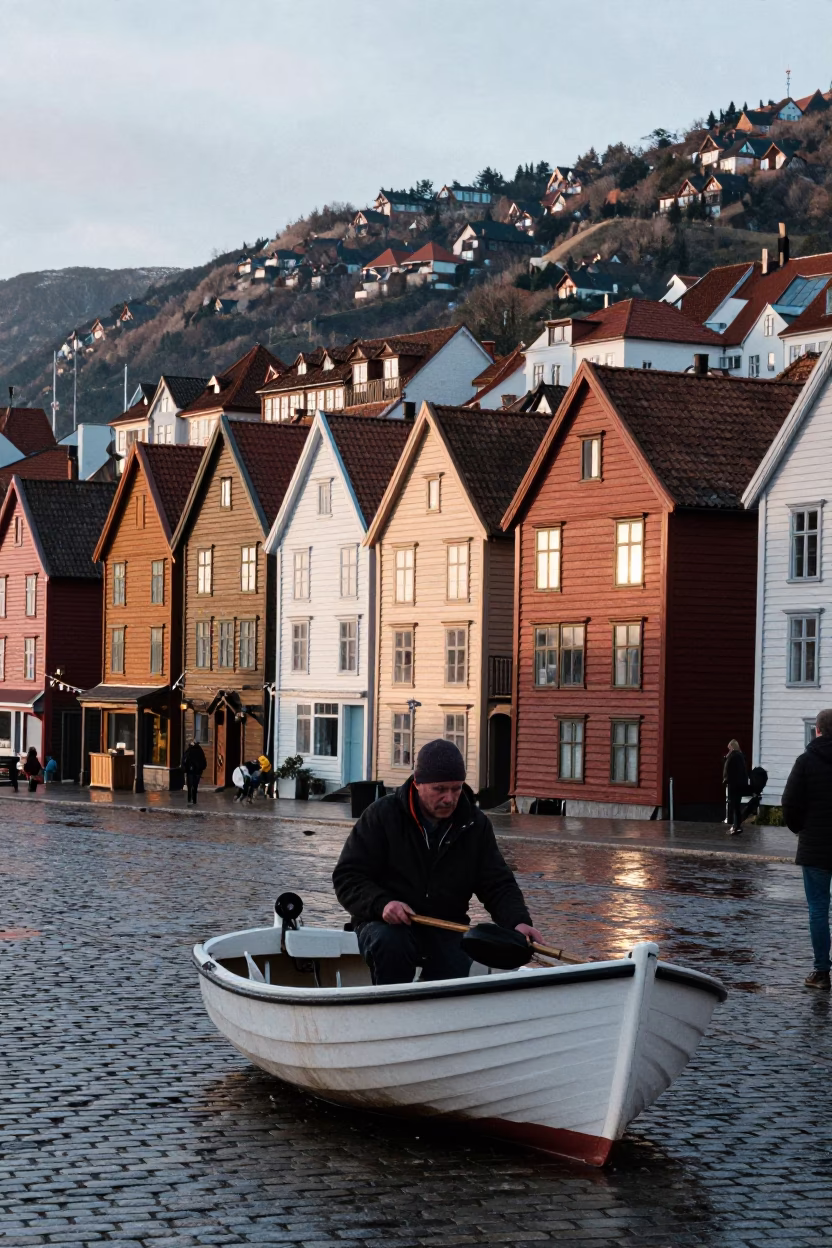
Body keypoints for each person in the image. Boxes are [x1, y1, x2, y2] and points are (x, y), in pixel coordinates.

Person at [333, 738, 542, 985]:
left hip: (447, 925)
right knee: (390, 944)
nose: (449, 798)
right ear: (418, 783)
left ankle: (439, 1017)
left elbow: (497, 883)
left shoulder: (475, 824)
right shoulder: (382, 816)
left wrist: (518, 922)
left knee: (455, 959)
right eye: (440, 789)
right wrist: (382, 904)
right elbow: (348, 877)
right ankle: (390, 1010)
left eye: (456, 788)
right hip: (382, 922)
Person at [782, 708, 832, 989]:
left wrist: (799, 828)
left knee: (818, 909)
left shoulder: (806, 761)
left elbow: (789, 802)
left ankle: (821, 972)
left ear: (817, 730)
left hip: (815, 847)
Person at [723, 739, 748, 835]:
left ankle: (736, 826)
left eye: (729, 748)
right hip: (739, 784)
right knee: (736, 806)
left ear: (732, 747)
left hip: (734, 785)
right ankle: (736, 825)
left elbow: (729, 769)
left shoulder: (734, 756)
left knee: (734, 806)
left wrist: (726, 779)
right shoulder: (740, 756)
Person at [182, 738, 207, 805]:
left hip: (191, 771)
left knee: (190, 786)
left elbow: (185, 760)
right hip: (197, 771)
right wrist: (201, 768)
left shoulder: (189, 750)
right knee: (195, 786)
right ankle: (194, 800)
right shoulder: (200, 750)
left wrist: (185, 769)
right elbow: (203, 761)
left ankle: (190, 799)